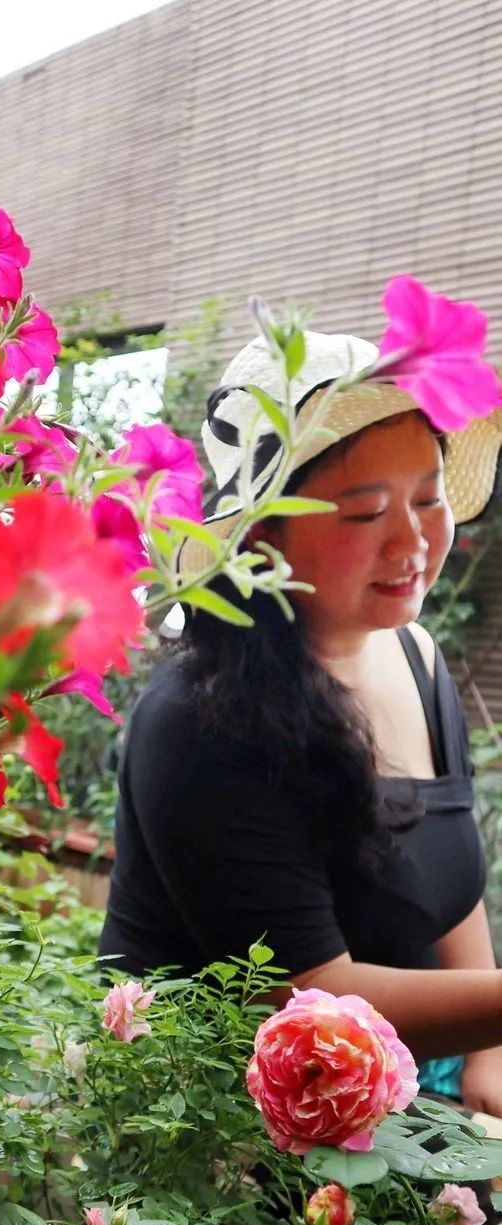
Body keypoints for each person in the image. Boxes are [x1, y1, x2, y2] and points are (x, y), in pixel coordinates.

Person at [99, 328, 502, 1116]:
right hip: (225, 1149)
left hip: (409, 1107)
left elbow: (452, 881)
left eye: (428, 498)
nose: (416, 540)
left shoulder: (414, 654)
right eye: (365, 514)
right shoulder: (199, 721)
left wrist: (489, 1060)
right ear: (260, 538)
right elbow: (315, 997)